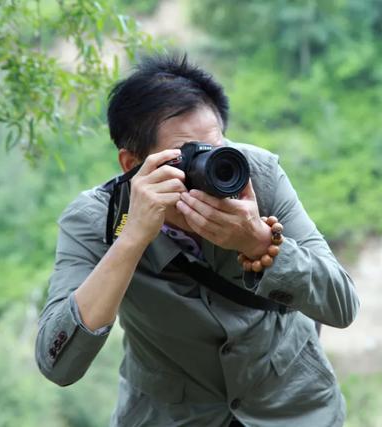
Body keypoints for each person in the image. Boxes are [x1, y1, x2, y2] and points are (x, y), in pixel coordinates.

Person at [35, 53, 360, 427]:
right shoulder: (97, 221)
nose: (209, 169)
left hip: (291, 409)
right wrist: (132, 239)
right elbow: (57, 364)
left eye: (215, 149)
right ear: (131, 164)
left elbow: (342, 305)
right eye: (187, 158)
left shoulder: (258, 177)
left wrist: (259, 245)